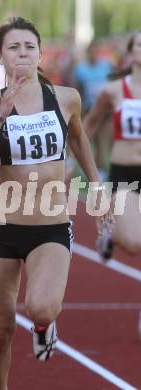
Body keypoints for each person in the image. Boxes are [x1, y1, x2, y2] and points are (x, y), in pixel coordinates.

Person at [0, 17, 111, 390]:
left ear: (40, 53)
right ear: (0, 56)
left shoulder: (65, 98)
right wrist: (0, 116)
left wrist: (96, 185)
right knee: (0, 331)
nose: (22, 53)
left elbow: (79, 138)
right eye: (13, 47)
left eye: (29, 46)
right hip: (2, 226)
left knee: (41, 308)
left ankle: (44, 327)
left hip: (50, 224)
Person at [84, 31, 141, 262]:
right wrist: (69, 160)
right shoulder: (113, 90)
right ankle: (111, 231)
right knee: (134, 243)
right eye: (139, 44)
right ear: (130, 52)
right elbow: (88, 125)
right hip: (126, 174)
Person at [73, 41, 114, 179]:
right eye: (92, 51)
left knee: (102, 141)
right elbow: (77, 88)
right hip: (89, 109)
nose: (95, 54)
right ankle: (88, 169)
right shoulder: (81, 69)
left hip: (106, 111)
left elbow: (114, 82)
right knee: (87, 140)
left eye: (97, 51)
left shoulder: (106, 66)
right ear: (88, 52)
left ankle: (101, 171)